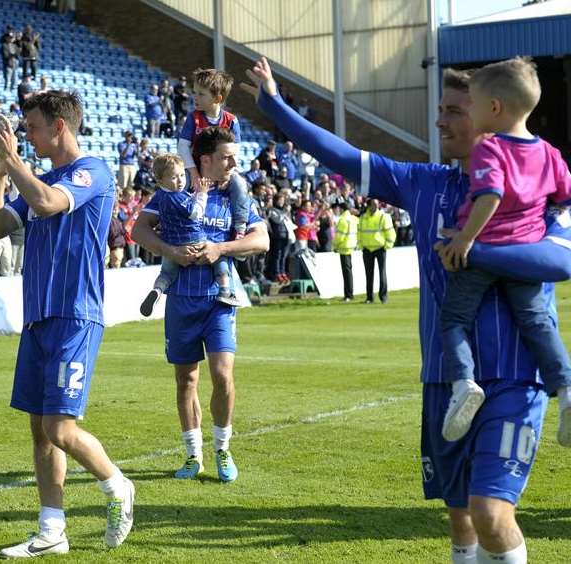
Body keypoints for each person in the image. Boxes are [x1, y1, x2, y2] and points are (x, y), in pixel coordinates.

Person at [242, 55, 569, 564]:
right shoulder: (423, 183)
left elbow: (558, 260)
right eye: (440, 109)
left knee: (491, 512)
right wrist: (276, 107)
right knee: (459, 514)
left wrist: (472, 249)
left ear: (490, 113)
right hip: (445, 377)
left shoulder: (537, 187)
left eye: (455, 110)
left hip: (514, 375)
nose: (441, 120)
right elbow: (342, 156)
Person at [0, 90, 134, 557]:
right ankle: (52, 531)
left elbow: (48, 203)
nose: (26, 135)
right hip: (38, 318)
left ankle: (117, 485)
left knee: (60, 430)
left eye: (31, 126)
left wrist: (13, 162)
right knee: (39, 431)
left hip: (74, 315)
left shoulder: (94, 171)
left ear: (59, 127)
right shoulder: (38, 178)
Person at [436, 58, 571, 446]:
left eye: (473, 104)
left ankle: (464, 383)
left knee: (455, 319)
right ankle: (564, 389)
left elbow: (490, 196)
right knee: (537, 324)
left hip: (486, 249)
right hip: (527, 255)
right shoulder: (549, 152)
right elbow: (563, 197)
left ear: (494, 108)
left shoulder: (490, 149)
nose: (471, 112)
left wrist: (465, 240)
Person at [132, 126, 269, 482]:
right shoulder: (173, 191)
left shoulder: (234, 195)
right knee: (186, 380)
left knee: (222, 375)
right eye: (226, 158)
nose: (233, 164)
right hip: (181, 299)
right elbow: (139, 230)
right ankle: (193, 456)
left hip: (219, 300)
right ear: (205, 160)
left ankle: (223, 449)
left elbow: (262, 239)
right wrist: (170, 251)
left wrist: (220, 248)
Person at [140, 152, 241, 316]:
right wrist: (202, 193)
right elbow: (196, 213)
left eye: (181, 175)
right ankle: (225, 290)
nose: (180, 181)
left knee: (166, 274)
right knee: (219, 256)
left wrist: (193, 195)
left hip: (172, 245)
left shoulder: (159, 196)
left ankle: (157, 291)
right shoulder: (178, 196)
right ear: (160, 180)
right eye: (174, 177)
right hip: (195, 241)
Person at [177, 68, 250, 238]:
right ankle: (174, 221)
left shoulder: (231, 120)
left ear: (218, 98)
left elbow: (235, 151)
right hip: (195, 168)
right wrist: (194, 173)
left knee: (240, 184)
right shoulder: (193, 117)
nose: (195, 97)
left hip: (222, 169)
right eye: (195, 92)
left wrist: (227, 174)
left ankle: (240, 226)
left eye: (201, 94)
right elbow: (182, 147)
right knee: (179, 184)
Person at [358, 198, 394, 303]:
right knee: (368, 274)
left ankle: (383, 297)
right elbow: (359, 232)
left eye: (376, 204)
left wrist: (387, 245)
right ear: (368, 205)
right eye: (373, 204)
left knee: (382, 273)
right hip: (367, 249)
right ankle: (369, 297)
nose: (375, 206)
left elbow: (390, 232)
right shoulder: (363, 218)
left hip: (380, 248)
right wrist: (361, 245)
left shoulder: (383, 216)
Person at [332, 201, 357, 301]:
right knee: (348, 271)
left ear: (341, 209)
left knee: (346, 273)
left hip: (344, 247)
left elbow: (340, 236)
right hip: (351, 246)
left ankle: (348, 295)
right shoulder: (352, 218)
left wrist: (335, 245)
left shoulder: (343, 219)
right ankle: (349, 294)